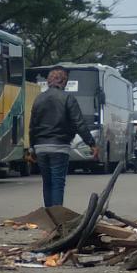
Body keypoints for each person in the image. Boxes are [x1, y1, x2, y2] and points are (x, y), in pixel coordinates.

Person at [29, 67, 99, 207]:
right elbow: (79, 123)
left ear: (49, 81)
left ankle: (49, 216)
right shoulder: (68, 98)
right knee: (57, 183)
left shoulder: (38, 99)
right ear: (64, 82)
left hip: (40, 148)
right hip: (59, 147)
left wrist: (31, 148)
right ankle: (57, 218)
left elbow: (32, 125)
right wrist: (92, 144)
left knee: (47, 182)